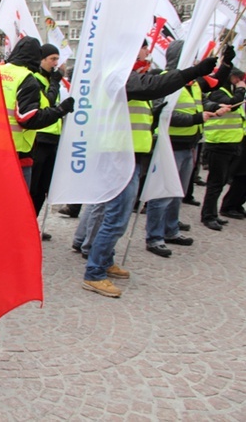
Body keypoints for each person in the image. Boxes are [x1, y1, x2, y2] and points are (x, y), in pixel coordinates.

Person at [82, 52, 218, 298]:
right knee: (116, 218)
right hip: (118, 155)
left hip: (128, 154)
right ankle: (94, 273)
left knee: (115, 215)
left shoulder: (126, 76)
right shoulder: (118, 76)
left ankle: (104, 261)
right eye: (142, 48)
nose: (146, 53)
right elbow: (154, 87)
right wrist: (194, 71)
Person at [144, 41, 228, 257]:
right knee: (161, 193)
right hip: (168, 144)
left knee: (177, 192)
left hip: (189, 145)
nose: (195, 61)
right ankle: (154, 236)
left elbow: (200, 102)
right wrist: (196, 118)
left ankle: (171, 230)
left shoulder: (192, 83)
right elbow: (162, 113)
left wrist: (214, 108)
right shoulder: (164, 80)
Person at [0, 36, 75, 189]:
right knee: (18, 207)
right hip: (17, 152)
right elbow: (28, 118)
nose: (55, 63)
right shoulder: (26, 78)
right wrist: (60, 111)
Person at [200, 62, 245, 230]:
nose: (238, 81)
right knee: (215, 183)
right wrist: (241, 89)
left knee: (221, 181)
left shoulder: (227, 91)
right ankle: (208, 216)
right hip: (218, 144)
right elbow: (233, 106)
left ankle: (212, 214)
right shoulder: (218, 92)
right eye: (236, 78)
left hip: (229, 144)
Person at [29, 43, 65, 240]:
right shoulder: (35, 79)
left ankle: (32, 224)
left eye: (57, 59)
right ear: (42, 59)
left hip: (52, 138)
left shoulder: (49, 79)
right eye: (52, 59)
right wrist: (55, 83)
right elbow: (47, 103)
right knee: (33, 187)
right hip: (39, 138)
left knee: (43, 188)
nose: (56, 63)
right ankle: (25, 225)